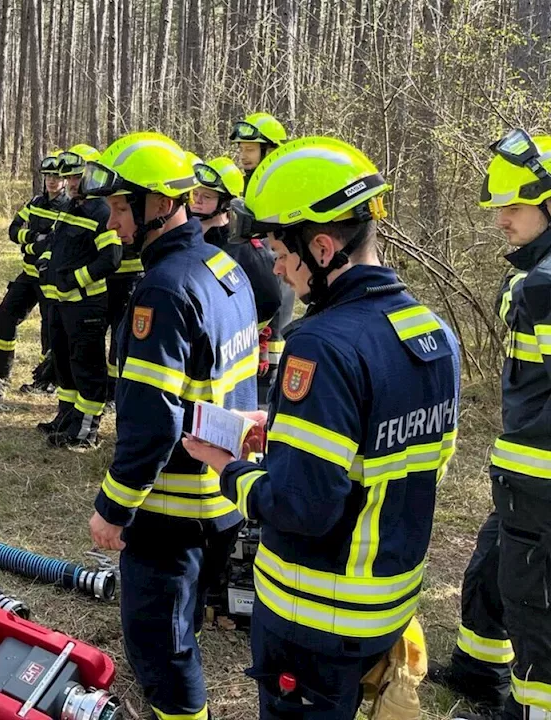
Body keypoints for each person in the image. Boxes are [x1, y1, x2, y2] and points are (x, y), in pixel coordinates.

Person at [184, 136, 462, 720]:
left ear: (323, 246)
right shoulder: (433, 332)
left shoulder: (321, 344)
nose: (280, 272)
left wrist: (226, 466)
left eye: (284, 256)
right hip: (388, 599)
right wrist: (283, 427)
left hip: (315, 614)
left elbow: (301, 506)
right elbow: (405, 450)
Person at [82, 132, 258, 720]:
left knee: (162, 648)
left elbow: (153, 420)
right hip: (222, 495)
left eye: (120, 206)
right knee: (185, 627)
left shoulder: (163, 287)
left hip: (171, 511)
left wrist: (114, 506)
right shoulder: (222, 267)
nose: (111, 222)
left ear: (159, 204)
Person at [430, 129, 551, 720]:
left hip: (543, 483)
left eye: (514, 206)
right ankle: (478, 671)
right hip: (521, 472)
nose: (501, 220)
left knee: (536, 608)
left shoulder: (543, 284)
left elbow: (523, 295)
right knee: (490, 566)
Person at [37, 144, 120, 449]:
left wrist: (75, 279)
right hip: (61, 303)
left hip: (86, 305)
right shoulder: (71, 207)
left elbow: (111, 259)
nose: (72, 183)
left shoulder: (102, 211)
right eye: (68, 178)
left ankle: (85, 432)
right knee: (64, 365)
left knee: (87, 369)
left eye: (77, 178)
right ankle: (66, 418)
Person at [191, 156, 282, 407]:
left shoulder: (245, 250)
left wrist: (246, 332)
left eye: (206, 197)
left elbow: (271, 299)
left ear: (225, 203)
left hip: (228, 355)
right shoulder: (193, 240)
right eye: (194, 194)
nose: (197, 201)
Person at [0, 149, 69, 382]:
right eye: (48, 176)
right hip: (28, 276)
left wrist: (30, 243)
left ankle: (48, 378)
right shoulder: (35, 203)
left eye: (57, 176)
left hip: (49, 279)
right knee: (5, 315)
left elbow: (53, 243)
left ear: (65, 179)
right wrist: (33, 239)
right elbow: (13, 231)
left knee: (50, 329)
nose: (52, 180)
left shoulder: (68, 208)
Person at [231, 112, 293, 383]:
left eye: (250, 149)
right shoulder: (245, 183)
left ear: (270, 150)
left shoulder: (282, 185)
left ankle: (272, 385)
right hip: (251, 270)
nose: (244, 156)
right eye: (242, 149)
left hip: (277, 269)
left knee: (276, 325)